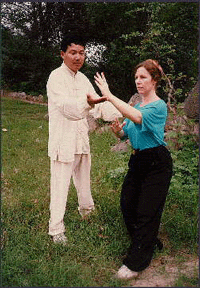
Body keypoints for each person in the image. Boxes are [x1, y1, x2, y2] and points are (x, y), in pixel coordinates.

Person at [87, 59, 173, 279]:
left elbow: (137, 119)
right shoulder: (136, 106)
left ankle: (136, 263)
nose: (138, 81)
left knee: (147, 211)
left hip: (156, 163)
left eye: (143, 77)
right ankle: (147, 242)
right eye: (136, 77)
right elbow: (127, 133)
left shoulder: (158, 106)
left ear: (154, 80)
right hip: (138, 162)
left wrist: (107, 94)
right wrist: (117, 131)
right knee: (128, 204)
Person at [46, 34, 122, 244]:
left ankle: (87, 212)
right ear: (63, 54)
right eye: (73, 53)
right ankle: (56, 229)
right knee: (60, 185)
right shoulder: (55, 77)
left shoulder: (82, 78)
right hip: (63, 139)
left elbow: (98, 104)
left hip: (80, 138)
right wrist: (88, 104)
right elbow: (67, 109)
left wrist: (123, 111)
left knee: (84, 180)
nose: (78, 57)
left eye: (81, 53)